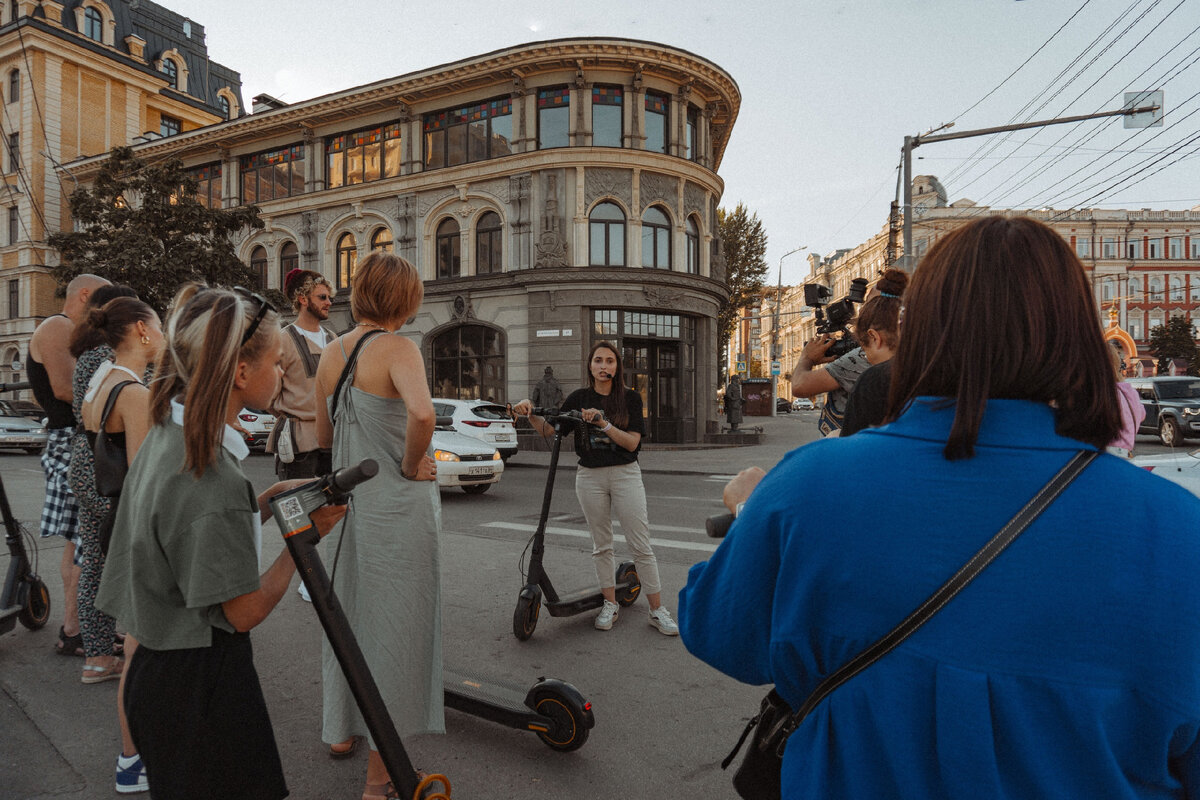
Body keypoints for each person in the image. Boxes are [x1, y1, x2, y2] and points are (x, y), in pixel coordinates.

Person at [678, 215, 1200, 798]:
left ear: (924, 332)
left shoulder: (810, 487)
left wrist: (754, 511)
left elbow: (717, 632)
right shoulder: (1177, 531)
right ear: (1078, 335)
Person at [95, 286, 344, 800]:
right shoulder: (212, 474)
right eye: (276, 362)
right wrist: (303, 537)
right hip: (200, 683)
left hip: (158, 673)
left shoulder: (169, 433)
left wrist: (270, 497)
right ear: (239, 371)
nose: (281, 373)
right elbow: (242, 612)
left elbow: (184, 530)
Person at [313, 252, 442, 800]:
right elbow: (423, 414)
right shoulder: (399, 347)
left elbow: (322, 437)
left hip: (348, 505)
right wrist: (412, 463)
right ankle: (378, 777)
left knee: (349, 616)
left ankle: (339, 730)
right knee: (393, 628)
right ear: (406, 298)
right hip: (396, 508)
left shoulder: (332, 352)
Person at [513, 341, 679, 636]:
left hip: (625, 474)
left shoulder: (629, 398)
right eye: (599, 361)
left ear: (617, 367)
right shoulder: (578, 398)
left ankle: (657, 610)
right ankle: (610, 604)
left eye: (610, 361)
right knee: (601, 545)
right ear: (590, 366)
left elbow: (632, 443)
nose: (604, 366)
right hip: (589, 476)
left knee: (641, 545)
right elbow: (551, 431)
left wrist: (603, 424)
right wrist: (530, 414)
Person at [70, 296, 162, 791]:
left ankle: (135, 755)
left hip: (109, 515)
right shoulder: (133, 392)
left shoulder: (100, 380)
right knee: (142, 646)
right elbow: (147, 478)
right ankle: (133, 758)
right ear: (144, 332)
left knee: (135, 645)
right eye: (161, 325)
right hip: (132, 525)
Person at [28, 273, 110, 657]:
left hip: (73, 439)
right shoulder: (57, 326)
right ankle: (76, 629)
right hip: (70, 440)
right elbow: (65, 388)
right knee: (84, 540)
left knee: (81, 541)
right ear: (84, 295)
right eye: (103, 302)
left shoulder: (67, 331)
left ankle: (79, 626)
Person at [268, 268, 336, 480]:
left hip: (333, 441)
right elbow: (268, 396)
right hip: (299, 445)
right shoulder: (282, 339)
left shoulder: (334, 340)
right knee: (300, 508)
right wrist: (291, 416)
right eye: (322, 297)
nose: (329, 303)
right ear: (303, 299)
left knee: (334, 509)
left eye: (329, 297)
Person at [838, 268, 908, 437]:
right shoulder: (938, 371)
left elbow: (852, 450)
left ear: (874, 337)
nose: (866, 357)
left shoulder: (874, 381)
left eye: (864, 349)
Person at [1107, 344, 1145, 458]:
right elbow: (1142, 415)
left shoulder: (1100, 393)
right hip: (1125, 456)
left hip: (1102, 458)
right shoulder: (1130, 392)